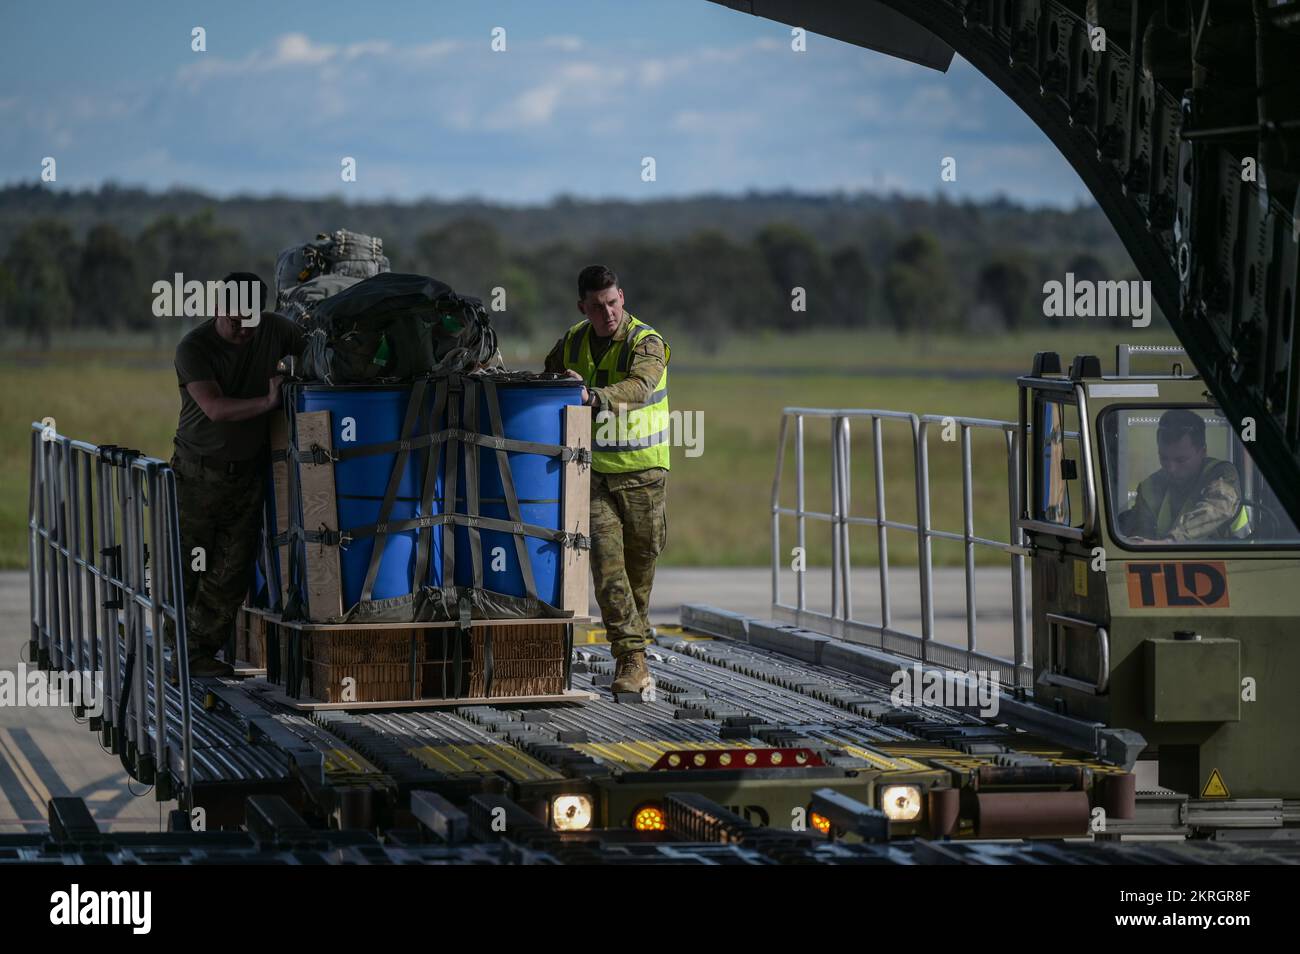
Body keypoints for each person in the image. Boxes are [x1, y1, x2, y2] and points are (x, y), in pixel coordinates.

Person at [168, 272, 303, 677]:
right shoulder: (194, 347)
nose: (243, 330)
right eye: (234, 321)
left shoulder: (276, 329)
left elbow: (313, 350)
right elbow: (215, 409)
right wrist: (268, 400)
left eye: (250, 320)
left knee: (230, 571)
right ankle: (171, 642)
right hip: (196, 474)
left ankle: (195, 656)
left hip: (247, 475)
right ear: (215, 309)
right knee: (187, 566)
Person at [543, 265, 669, 695]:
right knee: (607, 570)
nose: (608, 312)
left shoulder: (645, 341)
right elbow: (548, 376)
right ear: (583, 307)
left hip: (643, 476)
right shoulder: (574, 340)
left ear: (622, 297)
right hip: (593, 475)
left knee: (640, 571)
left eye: (613, 302)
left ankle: (637, 641)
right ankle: (630, 659)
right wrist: (561, 383)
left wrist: (594, 396)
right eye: (597, 307)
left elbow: (642, 386)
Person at [1121, 408, 1246, 543]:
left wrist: (1170, 542)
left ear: (1203, 452)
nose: (1171, 468)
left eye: (1181, 460)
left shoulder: (1222, 474)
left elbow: (1218, 507)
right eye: (1163, 458)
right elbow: (1141, 537)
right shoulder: (1149, 488)